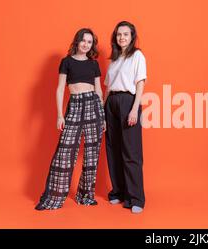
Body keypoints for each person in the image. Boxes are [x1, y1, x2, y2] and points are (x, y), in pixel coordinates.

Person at [35, 28, 106, 211]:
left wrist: (103, 116)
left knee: (92, 153)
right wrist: (60, 114)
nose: (86, 44)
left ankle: (85, 196)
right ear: (77, 41)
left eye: (89, 42)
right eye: (83, 40)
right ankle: (55, 197)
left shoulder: (93, 64)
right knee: (65, 152)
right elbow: (60, 89)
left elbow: (98, 90)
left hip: (93, 105)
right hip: (75, 104)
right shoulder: (66, 62)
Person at [104, 21, 147, 214]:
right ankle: (118, 192)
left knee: (131, 151)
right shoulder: (114, 59)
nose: (122, 37)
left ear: (132, 37)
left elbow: (140, 83)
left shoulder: (137, 56)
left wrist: (134, 109)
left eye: (126, 34)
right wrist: (102, 111)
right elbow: (107, 87)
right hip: (111, 102)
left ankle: (135, 197)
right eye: (119, 34)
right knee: (113, 149)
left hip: (128, 102)